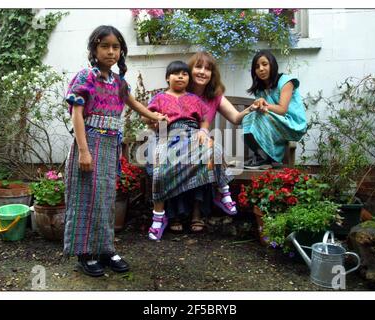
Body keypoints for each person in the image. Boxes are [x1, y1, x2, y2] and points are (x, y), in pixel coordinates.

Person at [63, 25, 167, 277]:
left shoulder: (119, 82)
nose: (111, 52)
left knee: (106, 199)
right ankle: (84, 254)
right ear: (94, 50)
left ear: (121, 51)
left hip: (110, 147)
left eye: (116, 47)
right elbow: (77, 115)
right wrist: (84, 151)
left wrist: (156, 116)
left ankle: (105, 249)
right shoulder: (86, 77)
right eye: (104, 46)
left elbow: (136, 105)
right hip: (88, 144)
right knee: (85, 198)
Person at [147, 60, 234, 240]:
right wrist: (154, 120)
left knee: (214, 149)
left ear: (189, 79)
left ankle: (223, 192)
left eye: (184, 74)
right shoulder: (159, 98)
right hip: (169, 136)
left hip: (193, 134)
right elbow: (147, 118)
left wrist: (203, 131)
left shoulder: (194, 99)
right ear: (167, 78)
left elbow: (203, 119)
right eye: (176, 73)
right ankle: (159, 217)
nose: (180, 76)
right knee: (159, 167)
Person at [242, 50, 307, 169]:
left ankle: (265, 157)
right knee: (248, 118)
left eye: (264, 64)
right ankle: (262, 155)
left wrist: (263, 105)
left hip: (292, 124)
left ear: (272, 64)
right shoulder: (260, 90)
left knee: (259, 115)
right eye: (257, 67)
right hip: (274, 124)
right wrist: (258, 104)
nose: (261, 69)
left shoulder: (286, 81)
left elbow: (282, 109)